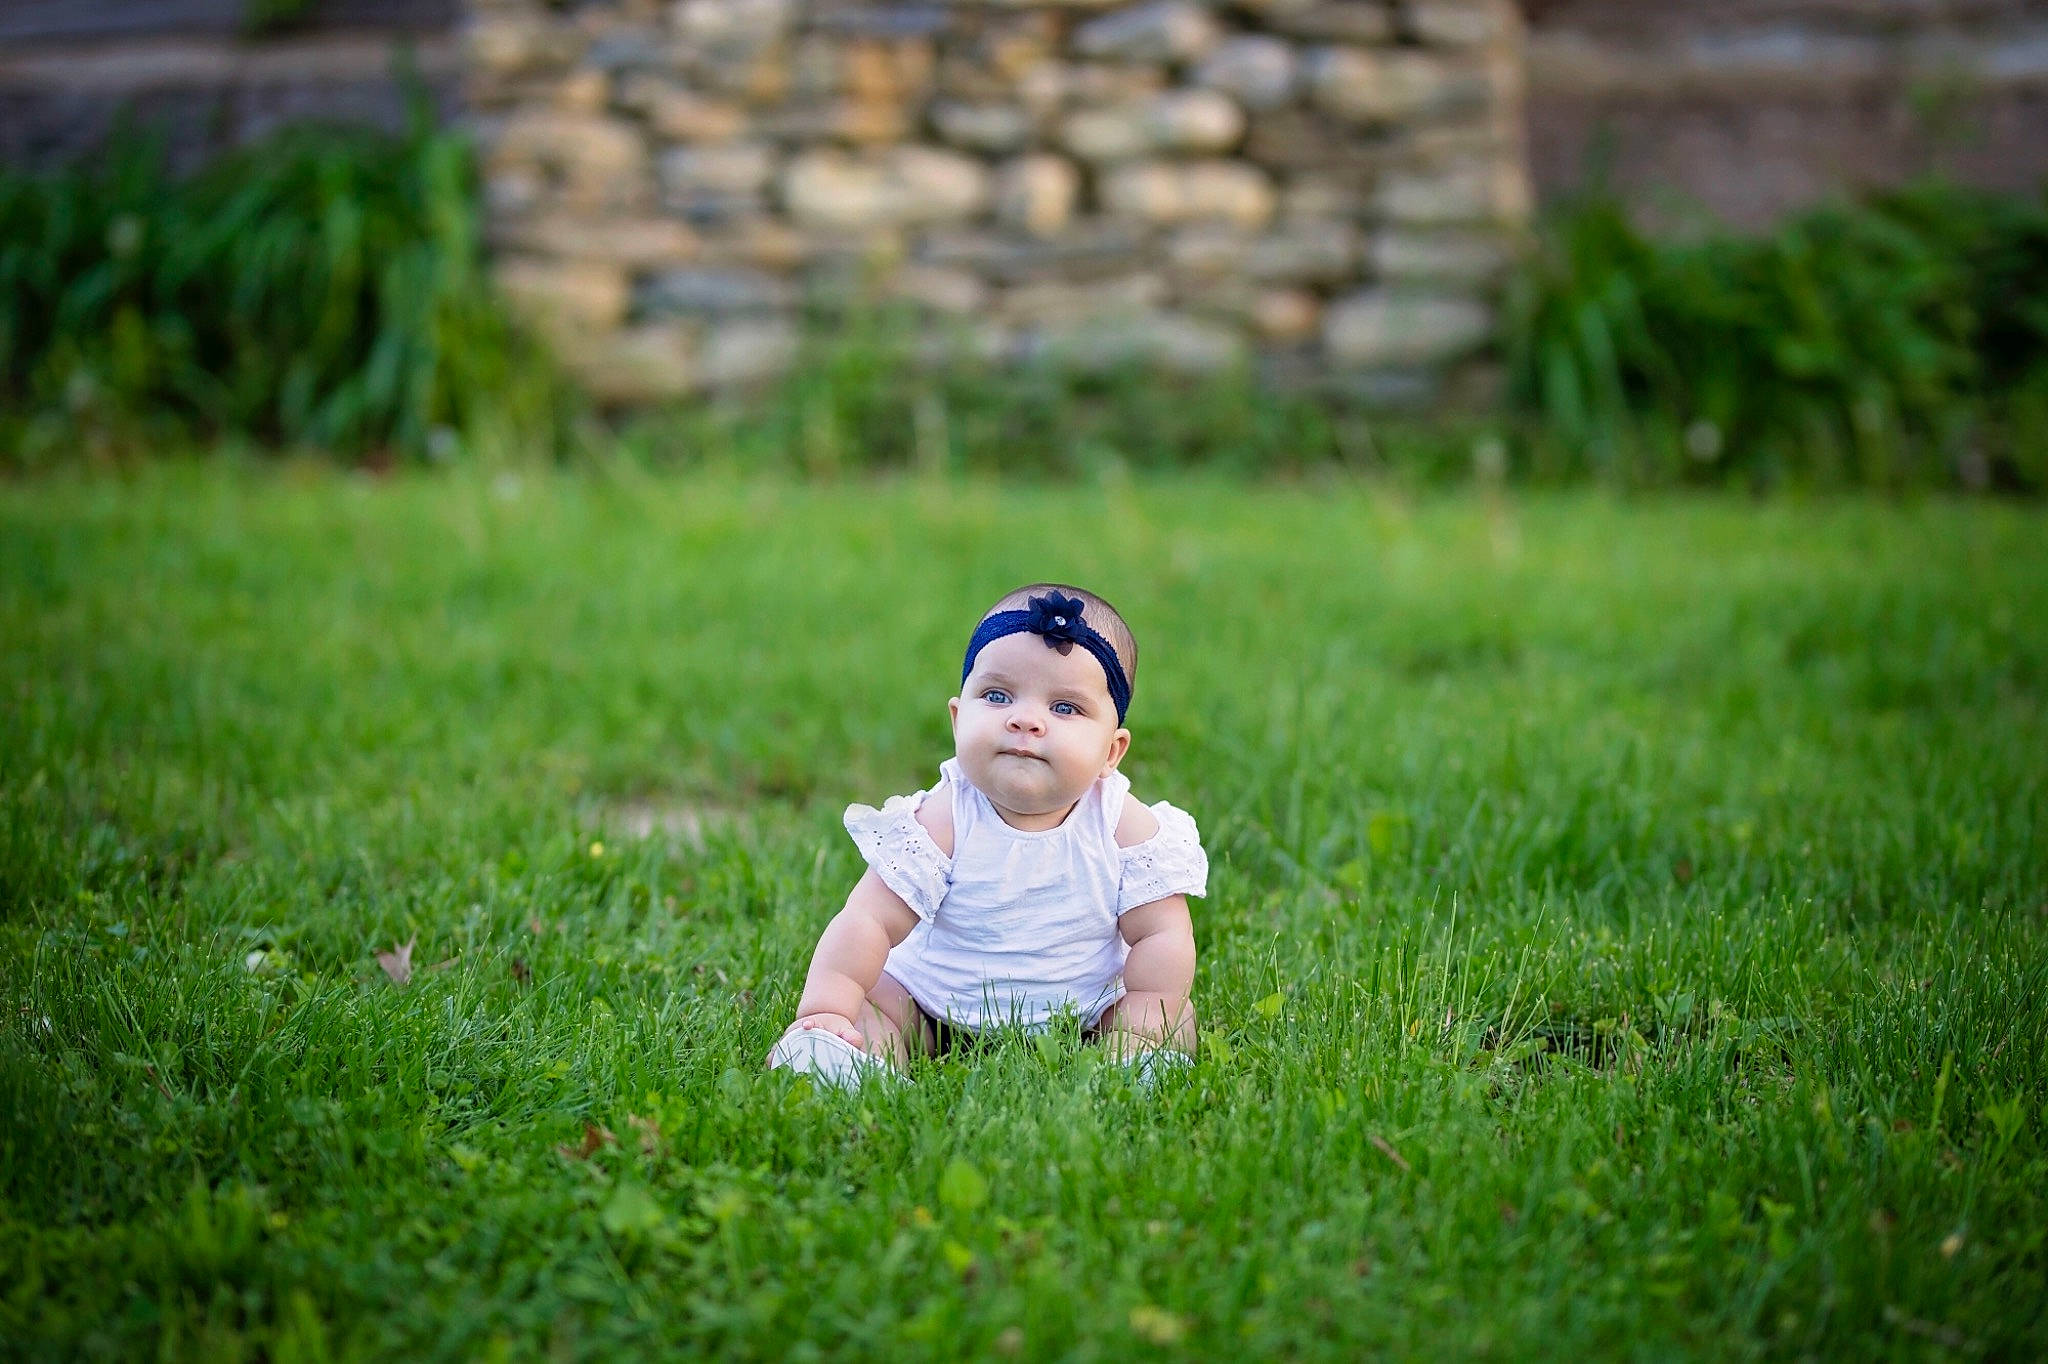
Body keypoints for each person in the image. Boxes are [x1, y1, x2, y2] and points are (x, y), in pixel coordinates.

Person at [767, 584, 1208, 1086]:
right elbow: (868, 920)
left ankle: (1135, 1061)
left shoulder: (1123, 824)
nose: (1025, 720)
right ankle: (842, 1052)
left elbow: (1161, 932)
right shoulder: (945, 816)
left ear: (1112, 751)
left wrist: (1151, 1006)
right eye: (997, 696)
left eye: (1065, 708)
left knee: (1169, 1019)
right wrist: (830, 1006)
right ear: (958, 719)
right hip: (933, 1004)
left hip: (1083, 1011)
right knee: (877, 1003)